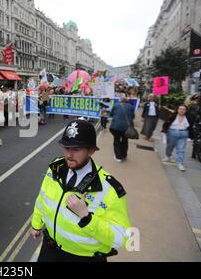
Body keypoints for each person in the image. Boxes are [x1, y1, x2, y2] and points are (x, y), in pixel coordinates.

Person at [31, 119, 131, 262]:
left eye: (76, 149)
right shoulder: (55, 167)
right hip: (49, 249)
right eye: (66, 148)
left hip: (83, 258)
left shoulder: (109, 189)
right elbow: (42, 199)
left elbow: (123, 238)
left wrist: (87, 217)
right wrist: (36, 224)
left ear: (91, 150)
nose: (69, 155)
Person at [161, 105, 194, 172]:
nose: (182, 110)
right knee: (170, 146)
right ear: (178, 110)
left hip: (183, 134)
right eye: (180, 109)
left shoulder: (188, 117)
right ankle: (168, 156)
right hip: (172, 133)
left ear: (186, 111)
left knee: (181, 149)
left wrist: (190, 136)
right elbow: (166, 123)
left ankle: (180, 163)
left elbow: (190, 127)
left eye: (183, 109)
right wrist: (164, 131)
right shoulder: (173, 116)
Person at [109, 97, 134, 162]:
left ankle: (118, 157)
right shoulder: (131, 106)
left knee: (117, 141)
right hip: (127, 127)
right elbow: (133, 116)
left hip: (116, 127)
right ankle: (124, 155)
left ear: (120, 101)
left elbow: (111, 114)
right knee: (125, 141)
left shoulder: (116, 105)